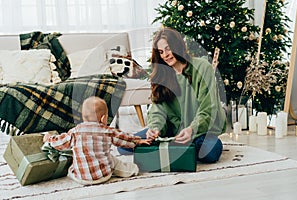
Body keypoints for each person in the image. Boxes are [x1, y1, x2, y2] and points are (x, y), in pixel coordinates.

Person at [118, 27, 226, 163]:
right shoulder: (162, 74)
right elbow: (158, 109)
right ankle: (177, 147)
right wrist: (155, 128)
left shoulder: (202, 67)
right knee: (123, 147)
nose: (165, 55)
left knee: (210, 153)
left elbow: (208, 108)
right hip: (172, 131)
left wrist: (192, 129)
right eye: (161, 52)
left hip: (200, 131)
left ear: (178, 46)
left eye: (168, 49)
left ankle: (174, 147)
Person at [43, 96, 151, 185]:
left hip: (81, 179)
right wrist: (137, 140)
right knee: (113, 160)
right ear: (103, 118)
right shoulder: (108, 131)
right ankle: (132, 170)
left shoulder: (75, 132)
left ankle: (75, 173)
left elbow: (59, 142)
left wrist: (48, 139)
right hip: (104, 175)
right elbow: (123, 138)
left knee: (74, 164)